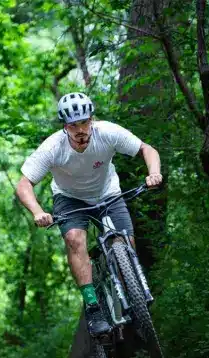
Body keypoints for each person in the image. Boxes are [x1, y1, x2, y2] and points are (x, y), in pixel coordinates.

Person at [15, 92, 163, 336]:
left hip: (108, 193)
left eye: (84, 122)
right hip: (70, 198)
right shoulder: (53, 147)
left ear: (92, 120)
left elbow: (147, 150)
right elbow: (23, 184)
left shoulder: (108, 132)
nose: (80, 130)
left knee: (126, 243)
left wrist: (154, 172)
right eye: (74, 125)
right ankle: (93, 306)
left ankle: (132, 293)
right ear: (65, 126)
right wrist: (38, 212)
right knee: (75, 239)